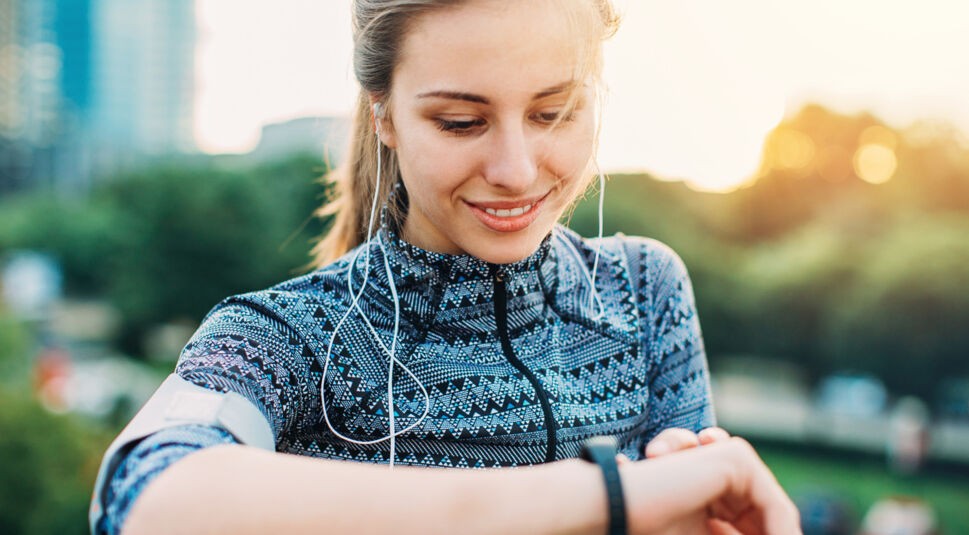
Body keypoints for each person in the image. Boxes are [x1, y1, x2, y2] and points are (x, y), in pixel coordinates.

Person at [90, 1, 800, 534]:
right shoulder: (289, 336)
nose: (515, 170)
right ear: (384, 116)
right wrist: (614, 495)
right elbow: (142, 494)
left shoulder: (644, 288)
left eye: (553, 112)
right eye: (460, 122)